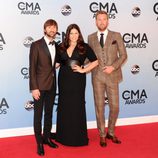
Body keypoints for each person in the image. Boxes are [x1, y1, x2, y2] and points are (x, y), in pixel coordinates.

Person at [88, 10, 127, 147]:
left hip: (112, 76)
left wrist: (113, 67)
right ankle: (102, 135)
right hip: (97, 76)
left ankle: (111, 132)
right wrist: (78, 64)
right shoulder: (90, 37)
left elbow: (123, 55)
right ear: (96, 21)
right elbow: (89, 57)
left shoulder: (116, 35)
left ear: (108, 21)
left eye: (104, 19)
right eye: (99, 19)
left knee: (115, 107)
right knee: (99, 107)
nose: (102, 22)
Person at [55, 24, 98, 146]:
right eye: (71, 33)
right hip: (63, 79)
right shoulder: (61, 47)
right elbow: (57, 64)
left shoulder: (84, 47)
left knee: (76, 106)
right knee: (64, 105)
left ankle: (77, 137)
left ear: (79, 34)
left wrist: (84, 70)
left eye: (76, 33)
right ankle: (63, 136)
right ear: (67, 34)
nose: (74, 35)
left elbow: (96, 61)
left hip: (77, 80)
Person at [29, 19, 59, 156]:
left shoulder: (57, 45)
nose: (52, 29)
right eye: (49, 27)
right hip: (39, 87)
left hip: (52, 85)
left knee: (48, 114)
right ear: (44, 29)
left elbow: (54, 64)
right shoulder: (36, 45)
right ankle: (39, 143)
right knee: (38, 116)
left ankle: (46, 138)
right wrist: (34, 88)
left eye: (54, 27)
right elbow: (32, 68)